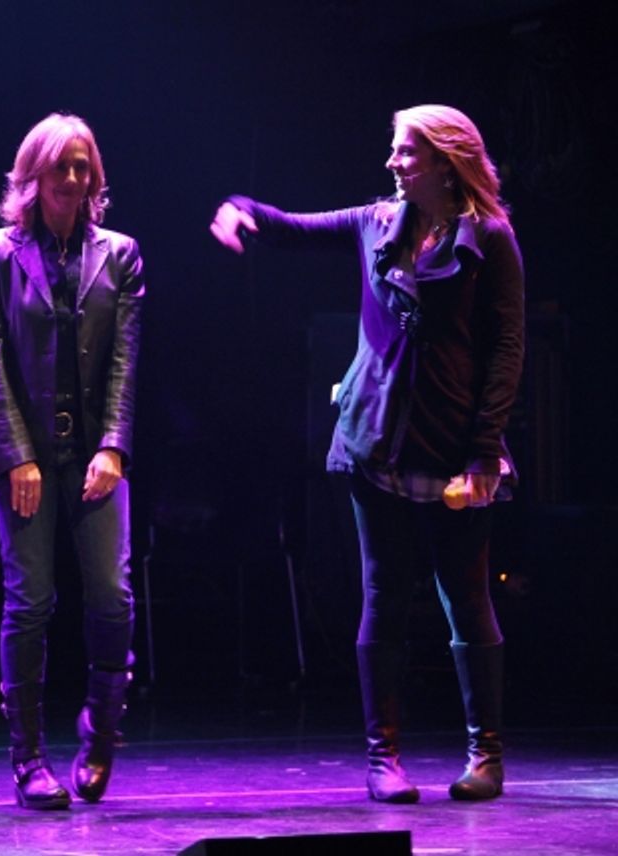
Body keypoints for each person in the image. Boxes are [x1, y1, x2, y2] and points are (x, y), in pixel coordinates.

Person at [210, 104, 523, 803]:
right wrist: (241, 209)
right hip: (376, 439)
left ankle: (486, 755)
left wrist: (483, 451)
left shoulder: (490, 238)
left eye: (406, 151)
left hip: (455, 442)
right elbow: (292, 228)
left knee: (466, 597)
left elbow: (507, 348)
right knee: (383, 594)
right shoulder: (375, 222)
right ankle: (385, 759)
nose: (392, 162)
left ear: (445, 161)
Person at [0, 113, 145, 809]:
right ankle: (29, 758)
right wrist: (17, 455)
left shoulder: (120, 253)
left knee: (112, 596)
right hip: (23, 456)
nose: (72, 179)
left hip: (94, 453)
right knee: (30, 601)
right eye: (59, 167)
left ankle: (102, 731)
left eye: (81, 167)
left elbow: (126, 360)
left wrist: (113, 446)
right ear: (33, 176)